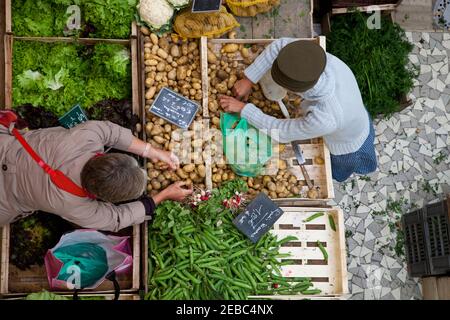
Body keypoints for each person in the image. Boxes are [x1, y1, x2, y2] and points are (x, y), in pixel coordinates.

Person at [219, 38, 377, 182]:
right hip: (354, 110)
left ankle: (340, 175)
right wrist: (249, 79)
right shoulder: (321, 62)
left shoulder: (326, 118)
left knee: (345, 163)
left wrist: (243, 109)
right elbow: (279, 46)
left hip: (349, 141)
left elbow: (282, 132)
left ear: (298, 92)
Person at [0, 119, 193, 231]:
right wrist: (163, 195)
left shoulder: (85, 137)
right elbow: (118, 218)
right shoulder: (78, 207)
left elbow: (111, 132)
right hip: (5, 200)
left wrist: (152, 151)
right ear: (103, 198)